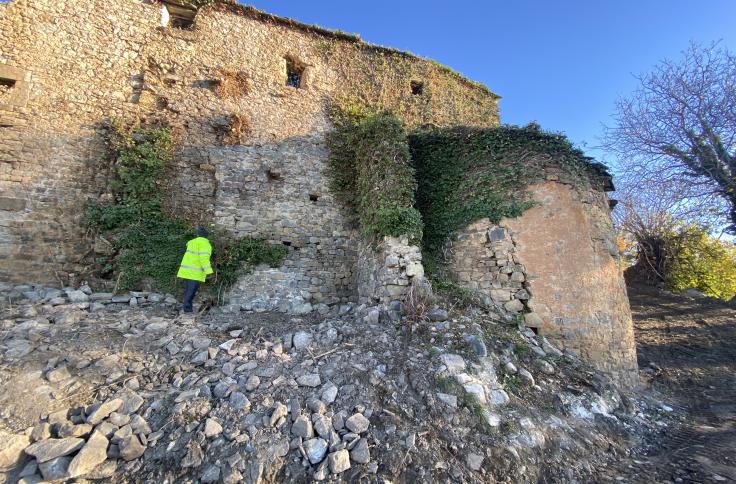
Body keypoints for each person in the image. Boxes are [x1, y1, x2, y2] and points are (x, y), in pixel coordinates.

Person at [177, 227, 214, 313]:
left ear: (198, 235)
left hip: (187, 271)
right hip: (194, 273)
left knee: (189, 291)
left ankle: (187, 309)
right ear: (206, 236)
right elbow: (204, 259)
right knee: (191, 291)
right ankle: (187, 310)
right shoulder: (205, 244)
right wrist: (209, 272)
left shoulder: (192, 242)